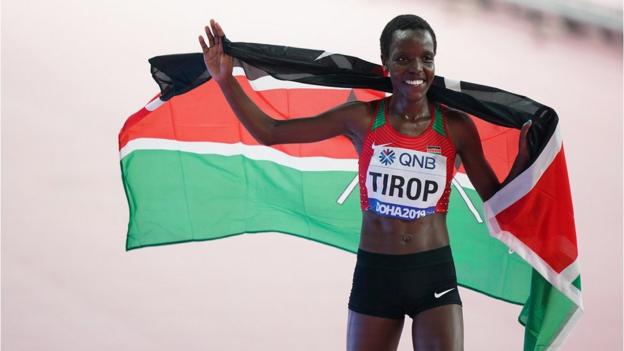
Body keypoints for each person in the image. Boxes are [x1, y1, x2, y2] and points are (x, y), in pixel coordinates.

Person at [199, 14, 531, 351]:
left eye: (426, 58)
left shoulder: (457, 127)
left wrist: (523, 159)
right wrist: (225, 81)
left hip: (433, 273)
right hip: (377, 275)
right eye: (403, 58)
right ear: (385, 64)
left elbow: (496, 200)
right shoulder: (362, 118)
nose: (416, 68)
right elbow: (271, 132)